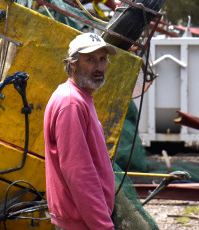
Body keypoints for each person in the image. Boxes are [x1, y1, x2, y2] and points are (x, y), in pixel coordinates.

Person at [44, 32, 117, 230]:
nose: (99, 67)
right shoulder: (71, 103)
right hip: (81, 222)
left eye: (103, 59)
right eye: (90, 59)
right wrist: (103, 226)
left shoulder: (80, 97)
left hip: (84, 219)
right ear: (73, 64)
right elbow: (79, 173)